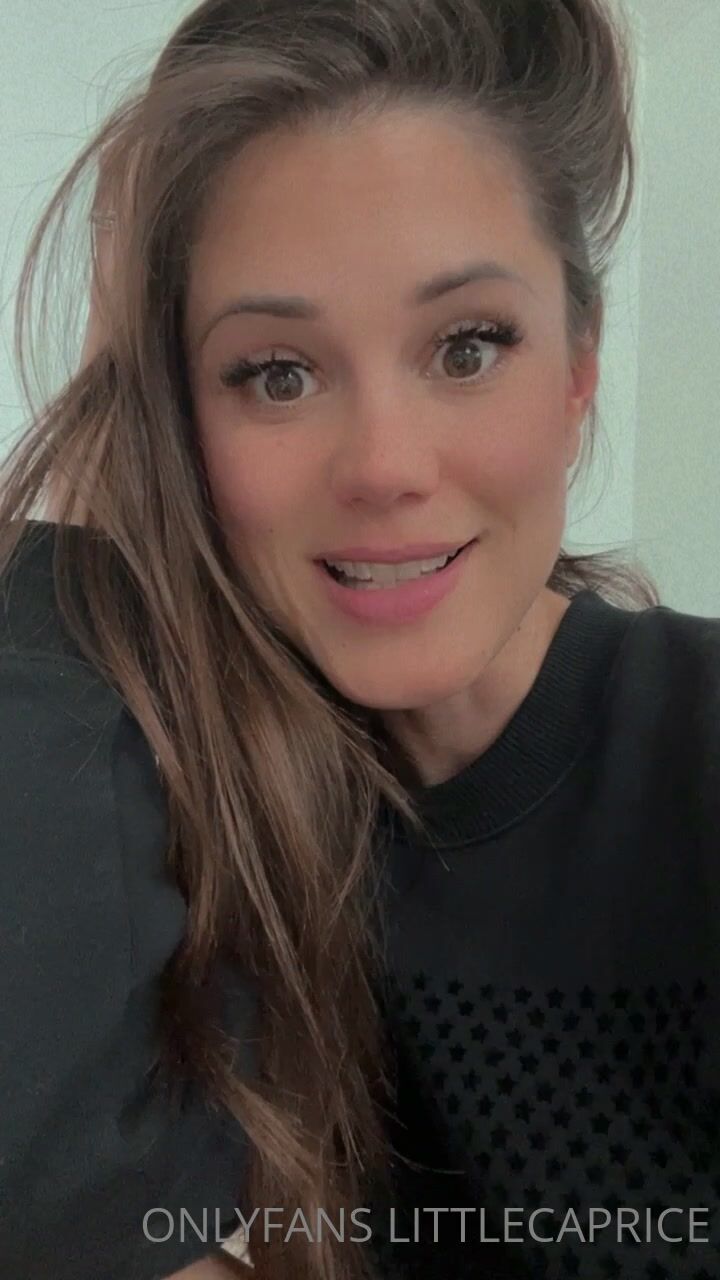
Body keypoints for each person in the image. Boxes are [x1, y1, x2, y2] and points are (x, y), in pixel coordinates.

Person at [1, 1, 719, 1278]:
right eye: (276, 373)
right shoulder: (175, 779)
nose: (384, 465)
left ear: (577, 373)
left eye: (467, 346)